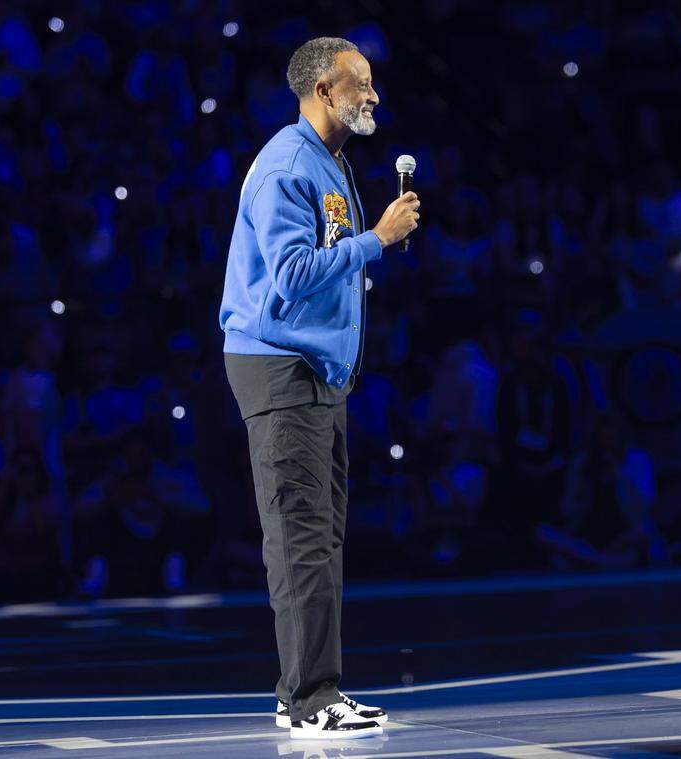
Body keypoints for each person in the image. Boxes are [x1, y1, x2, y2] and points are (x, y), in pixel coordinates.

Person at [218, 36, 419, 741]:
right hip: (279, 366)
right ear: (321, 92)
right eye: (358, 82)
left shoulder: (325, 160)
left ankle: (299, 689)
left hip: (312, 373)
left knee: (317, 536)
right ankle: (312, 698)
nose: (371, 94)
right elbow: (289, 277)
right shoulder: (286, 166)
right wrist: (378, 240)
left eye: (371, 82)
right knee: (302, 536)